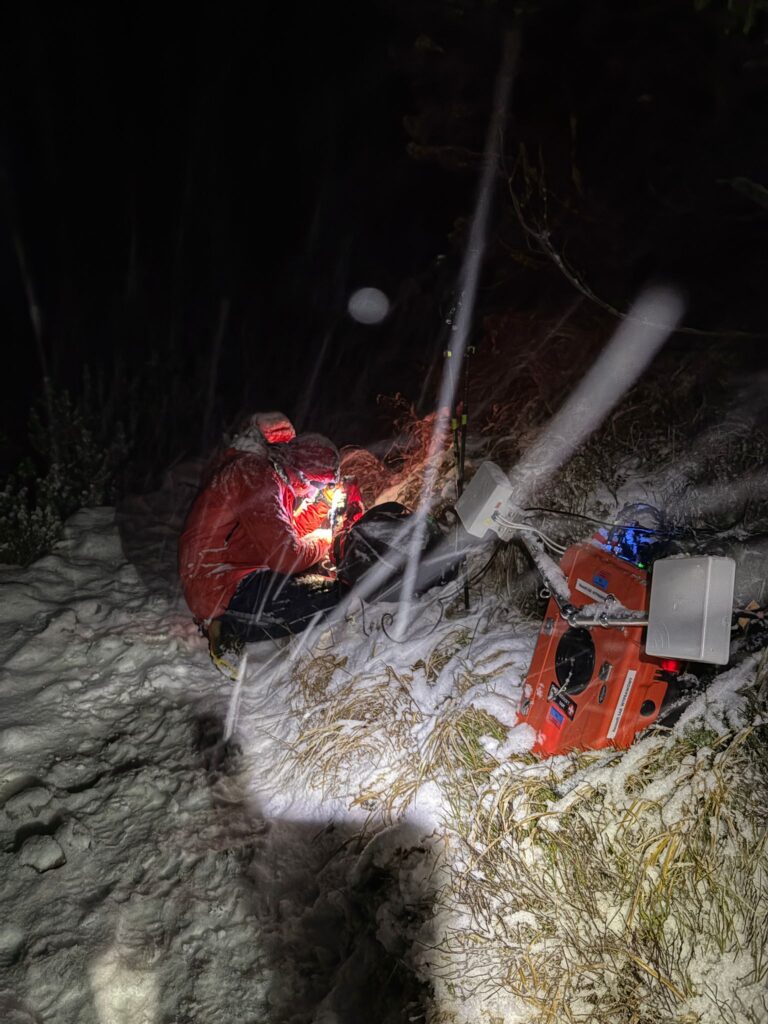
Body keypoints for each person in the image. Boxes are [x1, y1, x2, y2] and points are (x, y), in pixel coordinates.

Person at [179, 412, 343, 677]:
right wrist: (324, 540)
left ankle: (230, 621)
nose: (315, 490)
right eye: (315, 483)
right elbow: (286, 556)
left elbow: (281, 532)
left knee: (318, 583)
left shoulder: (262, 473)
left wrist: (321, 512)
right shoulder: (253, 475)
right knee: (330, 595)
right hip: (219, 584)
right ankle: (230, 626)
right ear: (298, 471)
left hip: (226, 575)